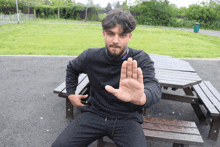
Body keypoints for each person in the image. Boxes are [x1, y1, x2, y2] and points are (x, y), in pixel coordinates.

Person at [52, 9, 162, 147]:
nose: (115, 40)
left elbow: (154, 87)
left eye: (122, 35)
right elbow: (72, 68)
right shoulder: (90, 56)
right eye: (111, 34)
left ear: (129, 36)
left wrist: (141, 98)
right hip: (94, 113)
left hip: (127, 118)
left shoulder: (140, 59)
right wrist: (71, 93)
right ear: (104, 34)